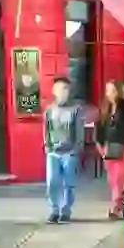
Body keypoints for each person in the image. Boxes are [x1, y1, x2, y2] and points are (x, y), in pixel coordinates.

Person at [43, 77, 84, 224]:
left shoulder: (75, 109)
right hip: (53, 152)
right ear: (54, 91)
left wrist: (76, 149)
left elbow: (79, 131)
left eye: (67, 89)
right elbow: (46, 129)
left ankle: (66, 211)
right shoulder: (49, 110)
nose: (64, 92)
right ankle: (54, 210)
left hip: (69, 152)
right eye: (61, 88)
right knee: (52, 182)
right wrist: (46, 145)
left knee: (69, 184)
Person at [95, 81, 124, 219]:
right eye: (107, 91)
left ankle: (119, 207)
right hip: (109, 147)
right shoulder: (104, 108)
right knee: (114, 180)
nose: (110, 94)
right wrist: (100, 146)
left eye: (113, 90)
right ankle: (118, 206)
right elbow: (99, 127)